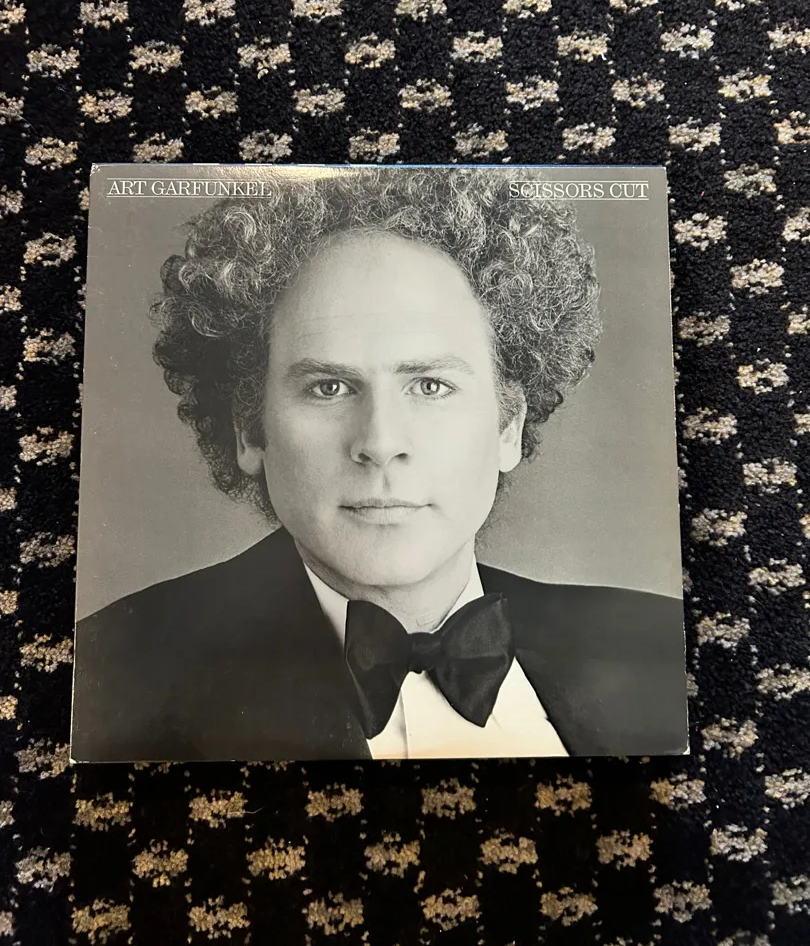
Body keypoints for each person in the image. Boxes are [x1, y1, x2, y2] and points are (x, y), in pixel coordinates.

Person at [71, 167, 687, 762]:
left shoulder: (661, 646)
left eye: (431, 386)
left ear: (509, 426)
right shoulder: (107, 673)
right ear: (249, 430)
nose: (381, 442)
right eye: (329, 388)